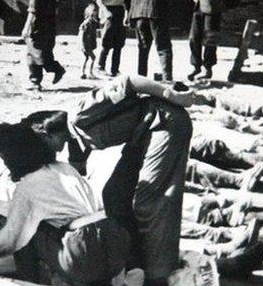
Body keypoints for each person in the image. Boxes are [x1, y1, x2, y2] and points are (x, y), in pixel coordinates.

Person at [20, 75, 195, 285]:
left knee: (149, 201)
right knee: (114, 195)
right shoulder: (73, 139)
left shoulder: (80, 114)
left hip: (165, 123)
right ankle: (136, 262)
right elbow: (75, 173)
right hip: (141, 135)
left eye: (40, 145)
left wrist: (171, 94)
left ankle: (158, 275)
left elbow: (130, 82)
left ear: (45, 132)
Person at [0, 122, 143, 286]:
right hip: (115, 243)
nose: (4, 162)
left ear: (15, 158)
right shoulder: (66, 168)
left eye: (3, 157)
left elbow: (9, 240)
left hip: (81, 252)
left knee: (25, 236)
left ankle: (32, 282)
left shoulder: (26, 187)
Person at [22, 0, 66, 90]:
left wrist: (26, 27)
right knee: (44, 52)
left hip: (38, 25)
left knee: (33, 52)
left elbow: (33, 9)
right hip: (50, 24)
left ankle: (35, 81)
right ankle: (56, 69)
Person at [94, 0, 131, 77]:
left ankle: (115, 69)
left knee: (119, 42)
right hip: (110, 11)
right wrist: (105, 11)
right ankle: (100, 66)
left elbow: (124, 0)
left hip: (120, 11)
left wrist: (126, 13)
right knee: (107, 40)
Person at [78, 3, 99, 79]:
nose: (95, 14)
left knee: (86, 58)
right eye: (93, 14)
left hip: (87, 44)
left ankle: (82, 72)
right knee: (93, 57)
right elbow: (82, 33)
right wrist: (82, 44)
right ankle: (90, 73)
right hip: (86, 44)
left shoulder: (91, 23)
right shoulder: (87, 23)